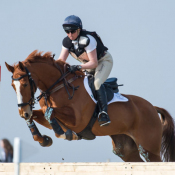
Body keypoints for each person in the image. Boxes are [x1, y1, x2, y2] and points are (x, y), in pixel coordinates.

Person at [58, 15, 113, 127]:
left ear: (79, 29)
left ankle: (104, 113)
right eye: (67, 31)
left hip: (102, 61)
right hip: (86, 65)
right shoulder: (67, 42)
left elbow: (94, 63)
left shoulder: (88, 40)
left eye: (72, 31)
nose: (70, 34)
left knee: (97, 83)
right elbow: (61, 61)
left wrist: (77, 67)